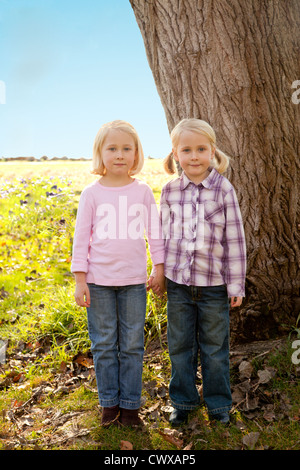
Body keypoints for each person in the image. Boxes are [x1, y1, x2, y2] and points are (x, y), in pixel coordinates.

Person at [71, 120, 165, 426]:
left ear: (136, 153)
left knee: (133, 345)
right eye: (112, 148)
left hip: (134, 284)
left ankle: (130, 408)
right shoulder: (91, 193)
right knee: (103, 344)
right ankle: (109, 404)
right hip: (98, 284)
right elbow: (80, 238)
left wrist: (159, 267)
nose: (120, 154)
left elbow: (155, 233)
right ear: (100, 153)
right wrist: (80, 279)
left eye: (127, 148)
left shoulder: (142, 192)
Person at [160, 118, 246, 426]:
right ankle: (182, 401)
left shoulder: (223, 189)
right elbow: (163, 236)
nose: (194, 156)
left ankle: (219, 404)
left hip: (213, 287)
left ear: (212, 152)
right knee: (180, 346)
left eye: (201, 149)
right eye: (187, 150)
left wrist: (236, 285)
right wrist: (160, 272)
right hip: (179, 286)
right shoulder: (170, 191)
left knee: (214, 348)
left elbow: (234, 240)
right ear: (176, 153)